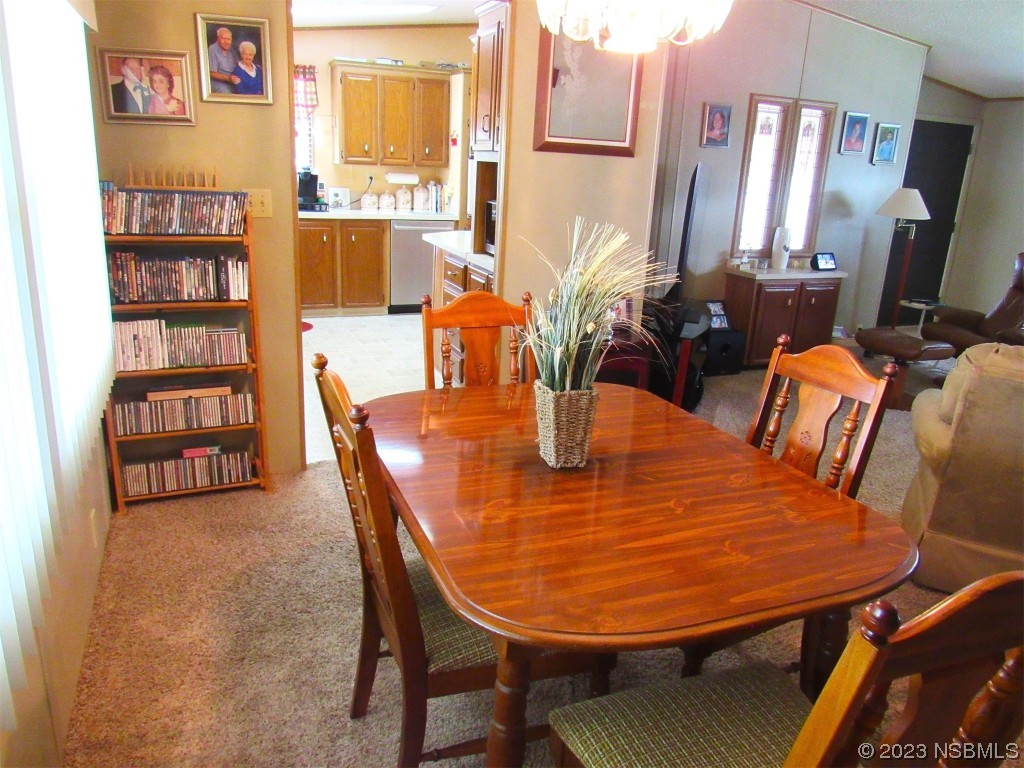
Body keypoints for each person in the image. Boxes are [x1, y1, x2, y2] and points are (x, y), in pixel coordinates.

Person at [207, 26, 238, 94]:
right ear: (218, 39)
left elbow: (238, 68)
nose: (226, 42)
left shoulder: (232, 51)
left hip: (232, 82)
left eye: (228, 39)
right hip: (218, 83)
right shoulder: (212, 49)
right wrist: (229, 78)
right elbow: (212, 74)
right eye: (223, 39)